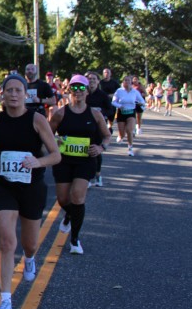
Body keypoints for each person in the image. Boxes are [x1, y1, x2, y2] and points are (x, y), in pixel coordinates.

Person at [0, 73, 61, 309]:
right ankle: (5, 300)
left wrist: (37, 162)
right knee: (6, 241)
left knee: (29, 244)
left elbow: (56, 155)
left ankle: (30, 258)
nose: (13, 94)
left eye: (18, 90)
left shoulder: (37, 120)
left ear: (25, 94)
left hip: (31, 187)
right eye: (9, 90)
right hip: (4, 186)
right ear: (2, 94)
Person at [50, 75, 111, 255]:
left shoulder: (95, 114)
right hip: (63, 160)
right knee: (63, 199)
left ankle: (75, 239)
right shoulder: (60, 113)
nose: (78, 91)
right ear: (69, 90)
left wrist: (101, 147)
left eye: (81, 88)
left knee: (77, 196)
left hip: (85, 160)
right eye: (74, 87)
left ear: (87, 91)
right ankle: (70, 215)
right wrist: (55, 143)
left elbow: (107, 136)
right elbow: (47, 135)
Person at [85, 71, 113, 187]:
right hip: (84, 126)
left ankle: (98, 175)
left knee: (95, 150)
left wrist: (101, 112)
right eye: (89, 79)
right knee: (85, 150)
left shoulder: (103, 95)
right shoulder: (83, 94)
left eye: (94, 79)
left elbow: (110, 110)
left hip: (98, 126)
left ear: (98, 81)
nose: (91, 81)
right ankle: (86, 177)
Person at [112, 76, 146, 157]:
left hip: (131, 112)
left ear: (131, 82)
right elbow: (113, 102)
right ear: (123, 82)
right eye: (125, 80)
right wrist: (120, 106)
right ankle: (121, 136)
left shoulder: (135, 92)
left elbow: (142, 101)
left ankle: (130, 149)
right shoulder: (119, 91)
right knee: (122, 134)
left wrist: (140, 103)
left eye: (128, 80)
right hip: (121, 113)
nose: (127, 82)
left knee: (129, 130)